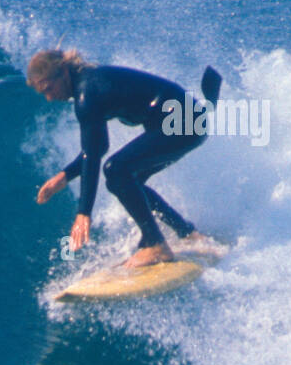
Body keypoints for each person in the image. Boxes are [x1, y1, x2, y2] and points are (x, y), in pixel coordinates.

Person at [27, 48, 219, 267]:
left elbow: (93, 157)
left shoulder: (86, 94)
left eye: (49, 88)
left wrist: (83, 213)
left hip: (183, 122)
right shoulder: (88, 83)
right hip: (189, 120)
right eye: (44, 93)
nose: (50, 97)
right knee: (127, 179)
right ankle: (186, 233)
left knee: (116, 170)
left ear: (63, 72)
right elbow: (98, 148)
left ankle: (156, 245)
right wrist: (65, 176)